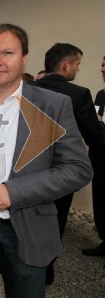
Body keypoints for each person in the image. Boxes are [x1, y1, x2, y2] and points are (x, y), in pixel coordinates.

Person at [0, 23, 92, 297]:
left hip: (27, 227)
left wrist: (14, 192)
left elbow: (79, 169)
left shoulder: (52, 105)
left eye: (7, 53)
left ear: (24, 58)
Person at [31, 44, 105, 279]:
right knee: (57, 216)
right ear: (66, 65)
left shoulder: (25, 88)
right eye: (77, 64)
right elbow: (94, 134)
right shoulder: (78, 93)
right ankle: (46, 267)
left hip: (26, 165)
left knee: (28, 213)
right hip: (60, 168)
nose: (77, 69)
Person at [81, 55, 105, 260]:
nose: (102, 69)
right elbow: (94, 127)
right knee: (100, 200)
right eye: (102, 64)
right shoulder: (101, 94)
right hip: (99, 156)